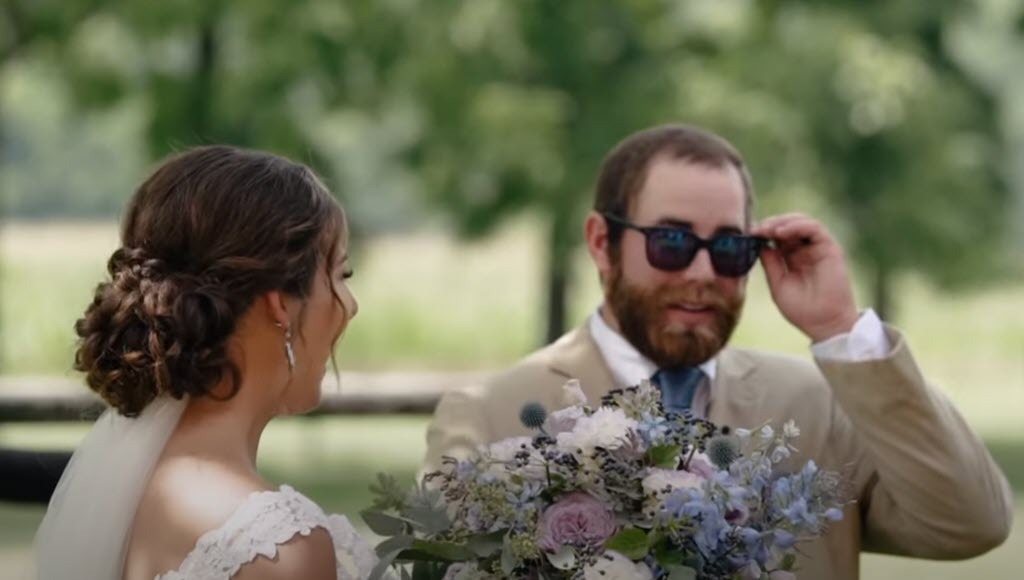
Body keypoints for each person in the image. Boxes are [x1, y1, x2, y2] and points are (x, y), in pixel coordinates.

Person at [424, 124, 1013, 579]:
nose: (704, 271)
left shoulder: (818, 406)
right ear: (603, 243)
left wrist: (839, 327)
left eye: (731, 246)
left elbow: (971, 524)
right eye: (672, 241)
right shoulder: (489, 416)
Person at [34, 146, 377, 579]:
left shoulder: (119, 498)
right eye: (341, 276)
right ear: (281, 304)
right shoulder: (277, 549)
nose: (352, 305)